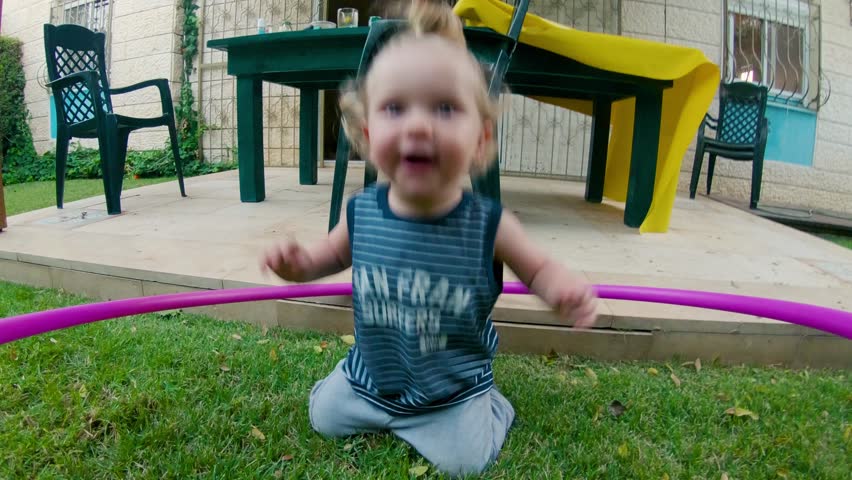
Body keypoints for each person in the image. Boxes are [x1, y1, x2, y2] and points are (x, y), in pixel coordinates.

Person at [262, 1, 598, 475]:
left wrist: (560, 287)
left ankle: (490, 407)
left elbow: (538, 268)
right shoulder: (362, 210)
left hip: (450, 391)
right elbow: (330, 254)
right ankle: (387, 412)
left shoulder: (487, 224)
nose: (418, 126)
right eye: (395, 107)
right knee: (324, 416)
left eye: (444, 107)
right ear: (368, 130)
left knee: (466, 462)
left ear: (480, 138)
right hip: (372, 379)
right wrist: (297, 265)